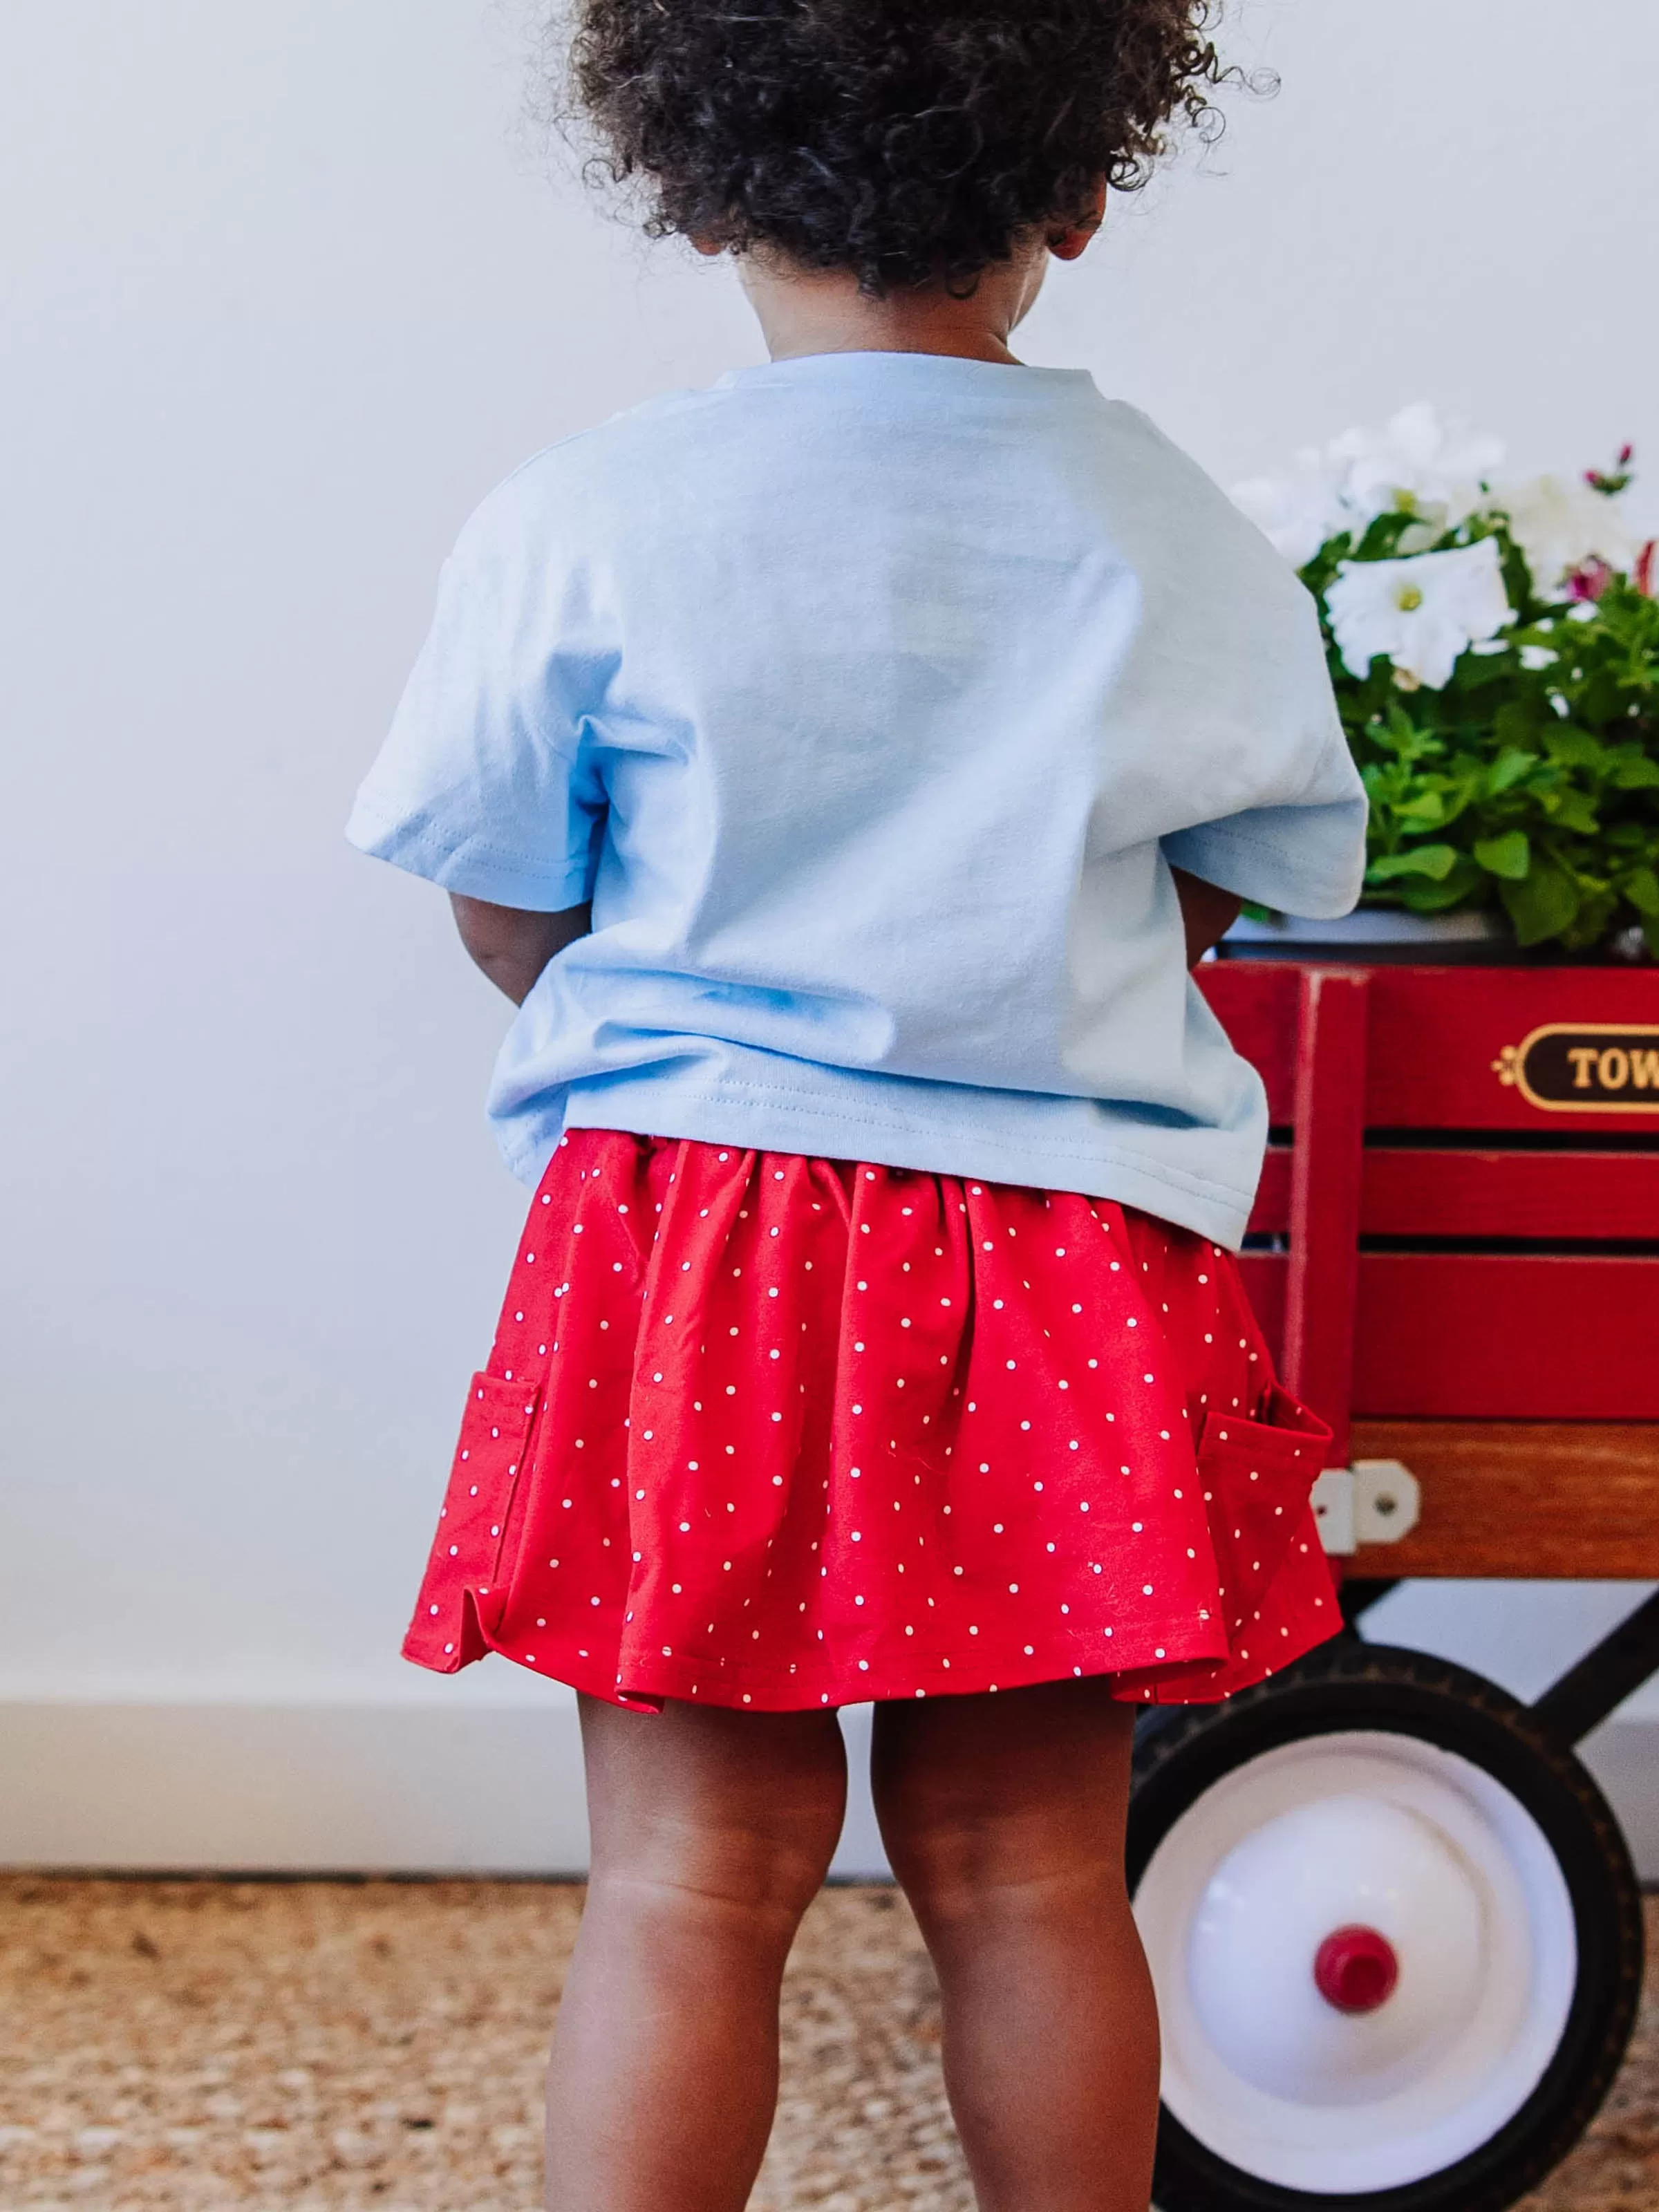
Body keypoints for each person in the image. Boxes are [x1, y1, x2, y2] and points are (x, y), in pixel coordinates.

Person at [345, 4, 1368, 2206]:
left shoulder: (593, 514)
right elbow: (1238, 887)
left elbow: (502, 903)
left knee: (694, 1882)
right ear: (1083, 189)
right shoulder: (1172, 528)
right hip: (1067, 1254)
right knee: (1026, 1876)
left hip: (702, 1238)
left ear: (696, 176)